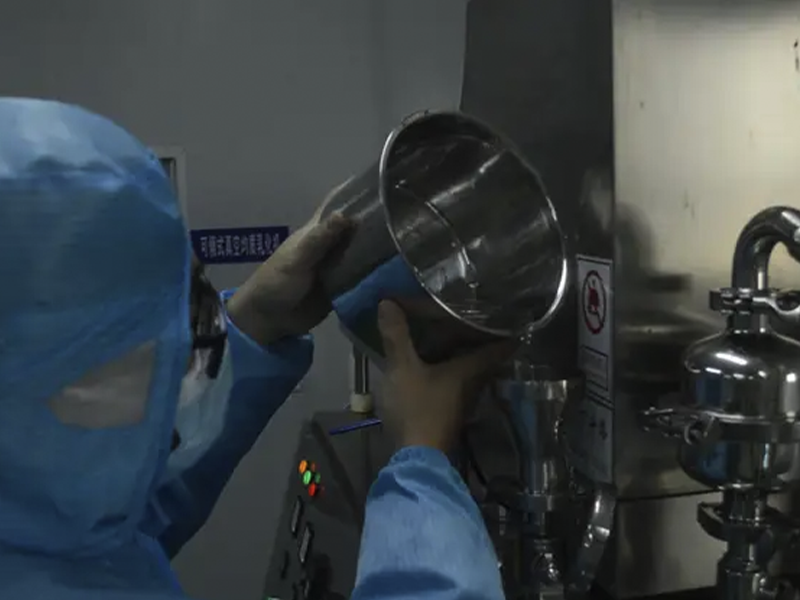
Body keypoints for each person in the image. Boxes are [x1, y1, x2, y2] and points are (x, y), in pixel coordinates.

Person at [0, 97, 506, 600]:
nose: (185, 362)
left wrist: (255, 321)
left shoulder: (40, 509)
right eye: (149, 348)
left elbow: (124, 515)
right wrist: (422, 459)